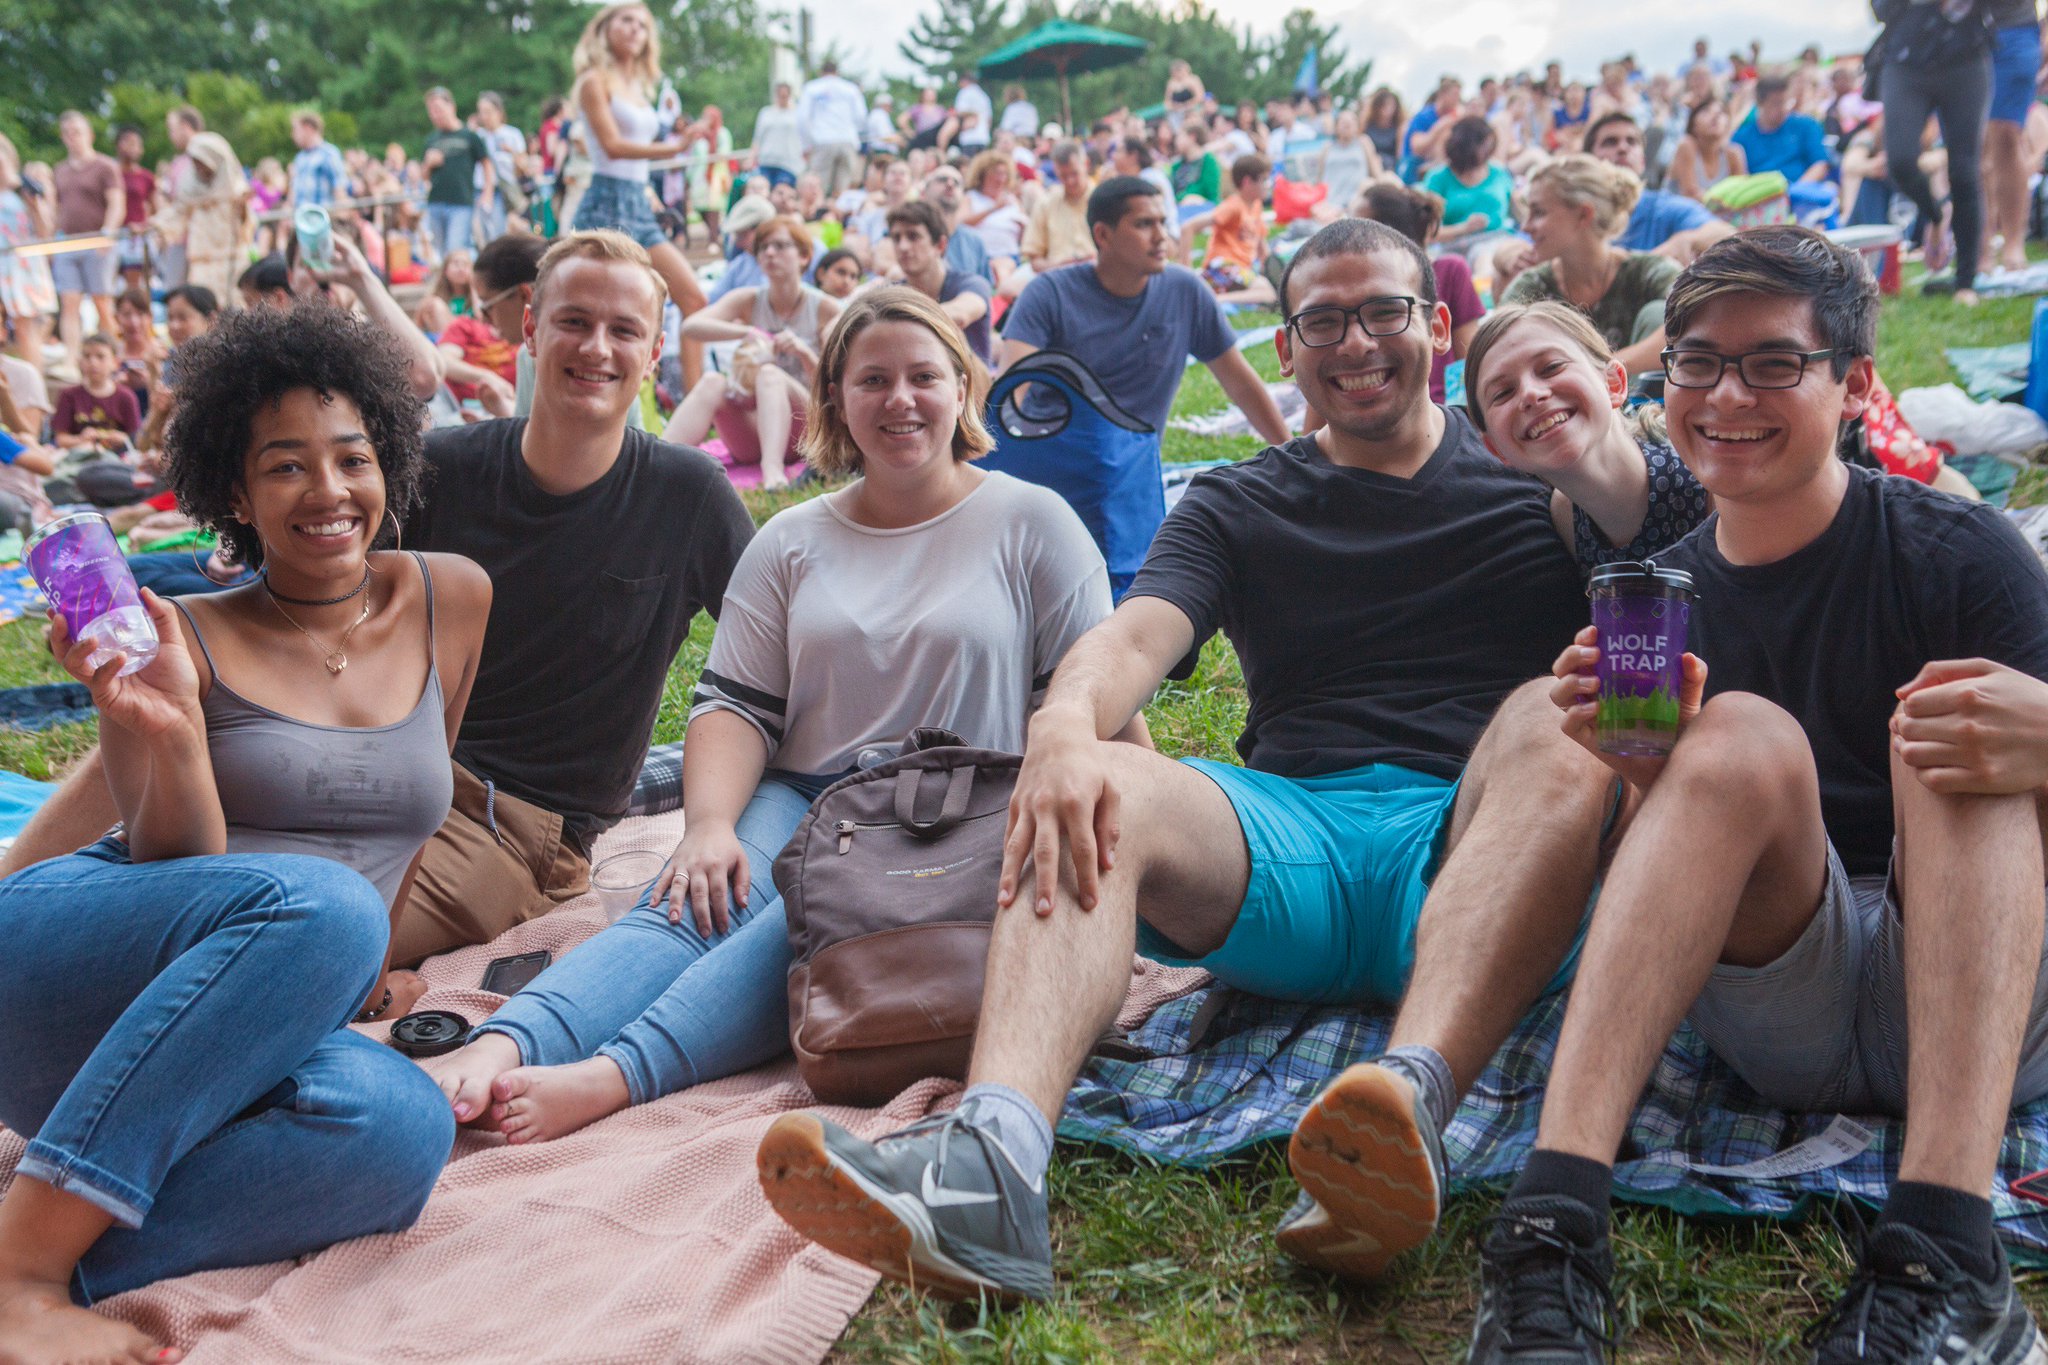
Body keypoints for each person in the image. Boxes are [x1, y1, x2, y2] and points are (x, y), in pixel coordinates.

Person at [758, 217, 1617, 1303]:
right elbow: (1129, 638)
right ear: (1283, 350)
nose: (1354, 343)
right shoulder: (1236, 497)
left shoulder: (1542, 493)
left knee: (1555, 710)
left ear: (1436, 326)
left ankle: (1407, 1115)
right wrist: (1065, 730)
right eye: (1321, 321)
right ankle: (991, 1165)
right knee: (1097, 776)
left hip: (1476, 853)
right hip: (1288, 846)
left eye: (1382, 312)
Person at [1476, 225, 2048, 1365]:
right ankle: (1550, 1222)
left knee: (1952, 722)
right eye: (1696, 360)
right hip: (1786, 1004)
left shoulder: (1961, 551)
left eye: (1772, 363)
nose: (1725, 393)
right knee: (1732, 735)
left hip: (1983, 993)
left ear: (1853, 387)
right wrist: (1643, 782)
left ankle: (1945, 1251)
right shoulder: (1657, 604)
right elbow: (1665, 884)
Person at [420, 285, 1125, 1146]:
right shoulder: (791, 540)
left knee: (804, 920)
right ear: (835, 398)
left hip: (963, 806)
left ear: (962, 386)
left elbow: (1092, 699)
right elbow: (735, 706)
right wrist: (710, 825)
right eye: (872, 380)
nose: (899, 400)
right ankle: (506, 1041)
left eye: (922, 377)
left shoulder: (1035, 523)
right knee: (692, 901)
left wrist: (1132, 833)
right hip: (805, 795)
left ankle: (612, 1077)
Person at [2, 231, 754, 971]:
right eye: (574, 321)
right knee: (167, 721)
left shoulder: (688, 496)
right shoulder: (437, 471)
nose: (597, 348)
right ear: (530, 326)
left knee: (265, 942)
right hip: (362, 749)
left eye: (624, 330)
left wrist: (716, 819)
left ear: (656, 350)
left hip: (508, 820)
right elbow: (314, 597)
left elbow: (768, 662)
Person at [0, 301, 490, 1365]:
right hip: (75, 971)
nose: (328, 493)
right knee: (322, 902)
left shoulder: (453, 598)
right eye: (285, 467)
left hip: (237, 1029)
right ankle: (20, 1277)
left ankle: (62, 1243)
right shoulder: (185, 638)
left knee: (402, 1130)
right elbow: (165, 862)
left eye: (350, 459)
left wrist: (360, 980)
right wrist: (170, 736)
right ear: (233, 491)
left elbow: (410, 815)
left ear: (389, 463)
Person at [997, 177, 1290, 594]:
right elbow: (1011, 399)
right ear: (1103, 235)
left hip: (1130, 479)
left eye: (1163, 222)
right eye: (1144, 224)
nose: (1162, 237)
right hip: (1051, 472)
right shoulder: (1049, 294)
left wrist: (1293, 456)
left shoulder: (1185, 290)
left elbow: (1241, 384)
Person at [1463, 299, 1708, 570]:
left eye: (1552, 367)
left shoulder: (1705, 475)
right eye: (1502, 393)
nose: (1531, 393)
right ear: (1495, 449)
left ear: (1614, 383)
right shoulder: (1565, 516)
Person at [568, 3, 709, 387]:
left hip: (636, 201)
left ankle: (693, 406)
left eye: (643, 25)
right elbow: (612, 146)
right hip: (606, 201)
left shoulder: (640, 88)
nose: (635, 30)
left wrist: (682, 141)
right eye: (626, 21)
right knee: (605, 311)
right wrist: (674, 147)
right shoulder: (594, 81)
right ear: (605, 28)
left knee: (693, 300)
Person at [663, 213, 840, 486]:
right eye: (763, 248)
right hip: (752, 432)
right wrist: (745, 331)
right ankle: (657, 461)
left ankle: (773, 474)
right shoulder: (748, 299)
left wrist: (804, 353)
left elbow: (834, 392)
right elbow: (691, 327)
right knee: (713, 382)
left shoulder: (825, 309)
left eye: (780, 246)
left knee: (769, 373)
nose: (769, 253)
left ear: (804, 256)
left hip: (805, 431)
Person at [1500, 155, 1679, 376]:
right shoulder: (1532, 285)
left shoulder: (1647, 272)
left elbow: (1693, 321)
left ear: (1583, 214)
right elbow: (1498, 349)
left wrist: (1599, 371)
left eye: (1538, 213)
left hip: (1644, 405)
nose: (1526, 226)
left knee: (1660, 314)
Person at [1875, 0, 1995, 302]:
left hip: (1965, 56)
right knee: (1900, 161)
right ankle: (1935, 215)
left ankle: (1965, 280)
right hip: (1905, 59)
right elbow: (1880, 9)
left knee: (1964, 171)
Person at [1350, 182, 1483, 405]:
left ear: (1390, 234)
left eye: (1357, 231)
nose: (1345, 240)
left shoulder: (1450, 271)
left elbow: (1469, 360)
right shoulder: (1351, 287)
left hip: (1439, 409)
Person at [1584, 111, 1734, 263]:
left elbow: (1725, 233)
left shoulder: (1661, 207)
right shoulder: (1574, 213)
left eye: (1632, 142)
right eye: (1610, 142)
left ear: (1642, 161)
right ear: (1588, 161)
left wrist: (1687, 240)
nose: (1623, 148)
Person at [50, 112, 124, 367]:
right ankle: (72, 358)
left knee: (102, 302)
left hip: (96, 242)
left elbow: (116, 203)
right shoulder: (59, 170)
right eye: (67, 132)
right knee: (69, 302)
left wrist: (107, 233)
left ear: (89, 134)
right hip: (68, 242)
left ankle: (112, 355)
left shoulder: (105, 166)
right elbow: (57, 209)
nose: (72, 137)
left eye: (77, 131)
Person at [887, 199, 994, 368]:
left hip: (969, 387)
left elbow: (960, 314)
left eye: (913, 236)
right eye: (896, 238)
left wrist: (888, 321)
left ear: (941, 245)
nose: (903, 246)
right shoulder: (889, 292)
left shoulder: (972, 283)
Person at [1983, 0, 2041, 274]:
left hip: (2016, 29)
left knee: (2006, 135)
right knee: (1974, 145)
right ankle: (1980, 248)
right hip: (1959, 36)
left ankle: (2013, 242)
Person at [1181, 155, 1275, 304]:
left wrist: (1272, 271)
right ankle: (1214, 300)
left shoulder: (1256, 205)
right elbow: (1188, 227)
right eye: (1264, 179)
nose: (1268, 184)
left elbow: (1261, 247)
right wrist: (1186, 275)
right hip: (1222, 266)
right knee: (1267, 292)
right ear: (1247, 182)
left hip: (1240, 270)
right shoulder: (1233, 206)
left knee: (1269, 287)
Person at [1424, 116, 1517, 264]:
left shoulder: (1499, 173)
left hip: (1499, 240)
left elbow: (1519, 213)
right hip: (1456, 247)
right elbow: (1427, 231)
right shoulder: (1438, 178)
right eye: (1484, 146)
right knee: (1483, 257)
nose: (1488, 151)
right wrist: (1463, 228)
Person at [0, 132, 57, 369]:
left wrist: (35, 204)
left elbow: (45, 232)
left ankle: (35, 383)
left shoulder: (25, 188)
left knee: (26, 328)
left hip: (22, 266)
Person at [421, 87, 492, 259]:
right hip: (436, 202)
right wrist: (428, 165)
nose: (435, 114)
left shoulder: (469, 136)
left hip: (461, 202)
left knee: (456, 250)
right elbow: (424, 176)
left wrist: (487, 193)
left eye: (438, 108)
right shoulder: (431, 139)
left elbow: (487, 164)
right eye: (431, 111)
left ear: (451, 106)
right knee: (443, 254)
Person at [1731, 73, 1832, 186]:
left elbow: (1820, 164)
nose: (1782, 108)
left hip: (1801, 193)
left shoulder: (1806, 125)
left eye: (1785, 101)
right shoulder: (1742, 137)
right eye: (1776, 103)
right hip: (1761, 196)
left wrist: (1796, 190)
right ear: (1760, 103)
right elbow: (1740, 176)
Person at [52, 335, 142, 451]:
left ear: (115, 363)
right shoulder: (69, 395)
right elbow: (61, 439)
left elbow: (136, 439)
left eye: (100, 357)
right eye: (87, 356)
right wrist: (81, 440)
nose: (93, 362)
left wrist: (119, 438)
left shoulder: (126, 396)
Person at [1021, 140, 1095, 275]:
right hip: (1057, 278)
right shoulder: (1045, 203)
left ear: (1086, 164)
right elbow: (1035, 261)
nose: (1070, 181)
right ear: (1056, 171)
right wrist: (1058, 266)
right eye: (1063, 176)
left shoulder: (1103, 199)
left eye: (1074, 174)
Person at [797, 60, 867, 200]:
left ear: (821, 72)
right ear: (837, 72)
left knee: (817, 188)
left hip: (822, 140)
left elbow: (802, 118)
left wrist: (806, 145)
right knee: (844, 189)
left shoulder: (812, 88)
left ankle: (818, 216)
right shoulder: (850, 88)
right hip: (847, 140)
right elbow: (861, 117)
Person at [962, 149, 1030, 279]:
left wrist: (1023, 228)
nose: (1001, 179)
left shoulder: (1013, 200)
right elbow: (962, 223)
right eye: (996, 173)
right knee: (999, 267)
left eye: (1004, 174)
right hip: (981, 258)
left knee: (1003, 266)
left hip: (1010, 256)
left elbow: (1024, 238)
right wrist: (993, 208)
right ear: (982, 175)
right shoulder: (971, 198)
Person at [1668, 94, 1749, 202]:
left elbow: (1742, 196)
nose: (1715, 116)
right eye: (1706, 111)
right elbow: (1690, 195)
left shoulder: (1734, 153)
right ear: (1693, 124)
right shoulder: (1686, 145)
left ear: (1727, 125)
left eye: (1721, 113)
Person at [920, 167, 994, 284]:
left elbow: (986, 289)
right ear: (924, 193)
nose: (950, 184)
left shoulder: (975, 241)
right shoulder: (907, 234)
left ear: (963, 196)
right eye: (942, 179)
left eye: (957, 183)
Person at [474, 93, 528, 245]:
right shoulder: (478, 136)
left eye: (488, 111)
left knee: (500, 234)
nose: (485, 116)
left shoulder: (512, 134)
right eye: (481, 112)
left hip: (505, 190)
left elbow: (523, 167)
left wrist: (512, 153)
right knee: (483, 235)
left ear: (499, 112)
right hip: (481, 189)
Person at [111, 125, 155, 295]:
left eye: (137, 144)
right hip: (112, 236)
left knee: (134, 286)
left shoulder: (146, 177)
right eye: (128, 142)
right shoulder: (108, 173)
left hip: (135, 237)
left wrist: (145, 226)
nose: (133, 147)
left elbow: (156, 208)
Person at [1316, 111, 1381, 214]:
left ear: (1357, 126)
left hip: (1356, 198)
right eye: (1343, 121)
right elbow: (1319, 177)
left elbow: (1376, 171)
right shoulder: (1327, 147)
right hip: (1330, 199)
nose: (1347, 123)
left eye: (1352, 121)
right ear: (1336, 127)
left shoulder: (1364, 142)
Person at [288, 111, 349, 212]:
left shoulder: (329, 154)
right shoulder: (299, 158)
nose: (292, 135)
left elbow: (339, 190)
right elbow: (294, 193)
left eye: (295, 130)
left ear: (308, 128)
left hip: (322, 219)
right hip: (302, 220)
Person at [1169, 123, 1223, 207]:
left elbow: (1213, 197)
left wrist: (1198, 200)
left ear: (1192, 137)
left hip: (1202, 210)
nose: (1176, 142)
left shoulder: (1208, 162)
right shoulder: (1176, 165)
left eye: (1180, 137)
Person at [951, 70, 994, 155]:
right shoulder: (984, 96)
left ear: (964, 81)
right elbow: (989, 120)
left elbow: (960, 111)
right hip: (983, 138)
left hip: (969, 137)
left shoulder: (965, 92)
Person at [1363, 88, 1404, 168]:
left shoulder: (1398, 128)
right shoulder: (1368, 125)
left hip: (1390, 165)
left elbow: (1399, 155)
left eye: (1392, 105)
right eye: (1384, 105)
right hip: (1369, 162)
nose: (1388, 109)